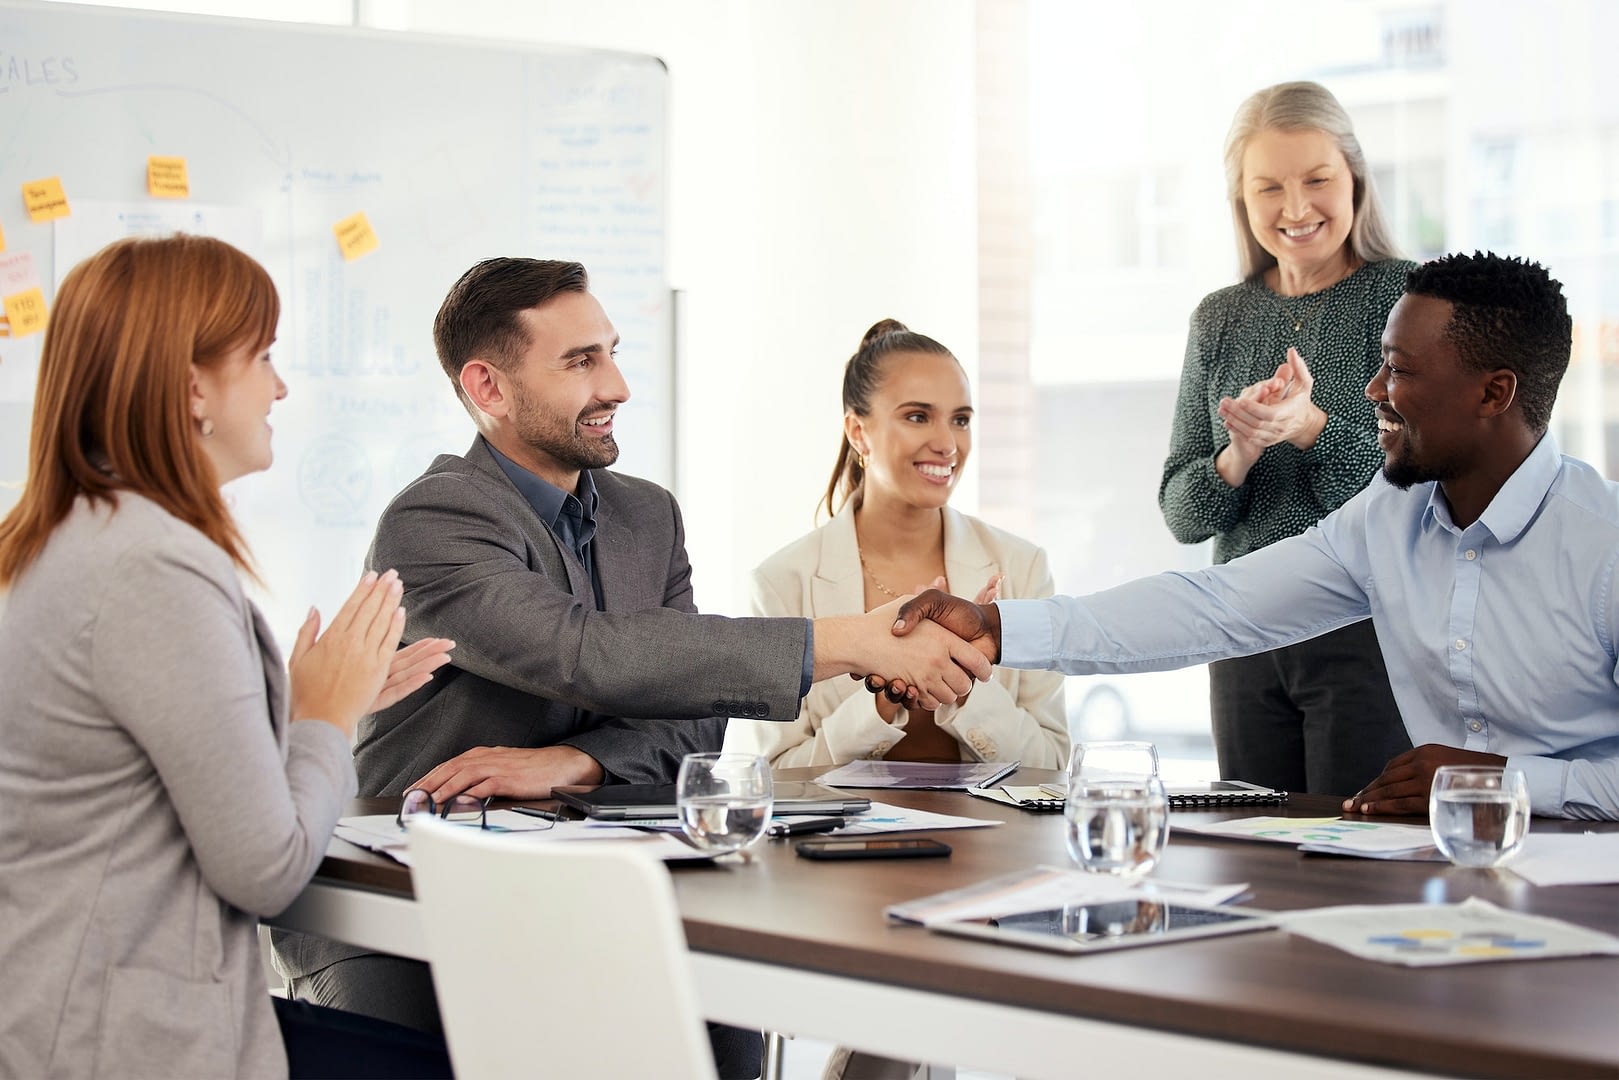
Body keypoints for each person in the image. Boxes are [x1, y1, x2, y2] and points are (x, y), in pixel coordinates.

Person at [270, 258, 992, 1078]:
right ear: (488, 387)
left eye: (611, 353)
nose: (615, 385)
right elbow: (583, 652)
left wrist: (577, 762)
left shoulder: (646, 515)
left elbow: (694, 713)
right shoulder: (435, 517)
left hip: (588, 885)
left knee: (720, 1034)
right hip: (409, 905)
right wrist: (849, 640)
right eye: (580, 361)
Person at [886, 252, 1619, 822]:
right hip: (1447, 871)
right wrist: (994, 627)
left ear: (1493, 393)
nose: (1372, 391)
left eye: (1398, 371)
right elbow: (1215, 606)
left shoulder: (1605, 545)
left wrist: (1505, 781)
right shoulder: (1386, 519)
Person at [0, 235, 456, 1079]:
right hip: (125, 1041)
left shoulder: (67, 539)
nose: (280, 388)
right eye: (264, 357)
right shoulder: (154, 569)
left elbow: (144, 775)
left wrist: (316, 705)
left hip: (65, 1010)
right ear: (192, 388)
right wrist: (322, 719)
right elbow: (267, 871)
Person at [1159, 80, 1414, 796]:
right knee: (1250, 842)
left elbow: (1419, 494)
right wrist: (1238, 454)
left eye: (1317, 180)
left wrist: (1310, 429)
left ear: (1354, 177)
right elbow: (1181, 514)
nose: (1295, 208)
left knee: (1356, 842)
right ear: (1240, 199)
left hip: (1366, 629)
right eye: (1268, 187)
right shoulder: (1219, 318)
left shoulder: (1407, 297)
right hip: (1240, 632)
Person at [725, 319, 1066, 769]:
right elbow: (777, 774)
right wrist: (882, 699)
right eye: (917, 417)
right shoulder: (782, 582)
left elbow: (1053, 765)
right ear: (858, 431)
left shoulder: (1021, 567)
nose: (947, 444)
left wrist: (963, 682)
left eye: (961, 420)